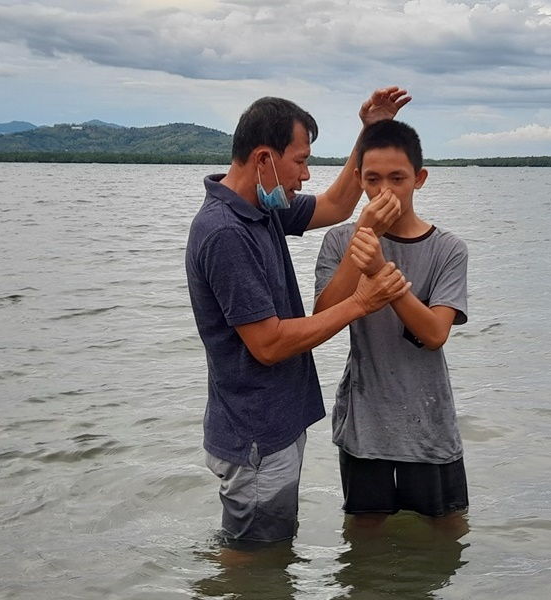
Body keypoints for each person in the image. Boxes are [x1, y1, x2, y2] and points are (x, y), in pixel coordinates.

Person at [185, 87, 413, 550]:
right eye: (301, 161)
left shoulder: (262, 206)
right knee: (254, 559)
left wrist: (368, 132)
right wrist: (361, 302)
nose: (306, 176)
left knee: (266, 552)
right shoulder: (225, 232)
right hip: (255, 436)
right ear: (264, 159)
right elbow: (267, 344)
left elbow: (336, 206)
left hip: (273, 426)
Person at [314, 119, 470, 531]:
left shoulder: (447, 249)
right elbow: (324, 317)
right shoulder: (338, 241)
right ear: (358, 180)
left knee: (447, 534)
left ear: (419, 179)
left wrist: (384, 274)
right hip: (365, 423)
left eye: (397, 178)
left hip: (430, 422)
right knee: (363, 542)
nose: (385, 191)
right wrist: (364, 236)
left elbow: (435, 334)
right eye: (373, 179)